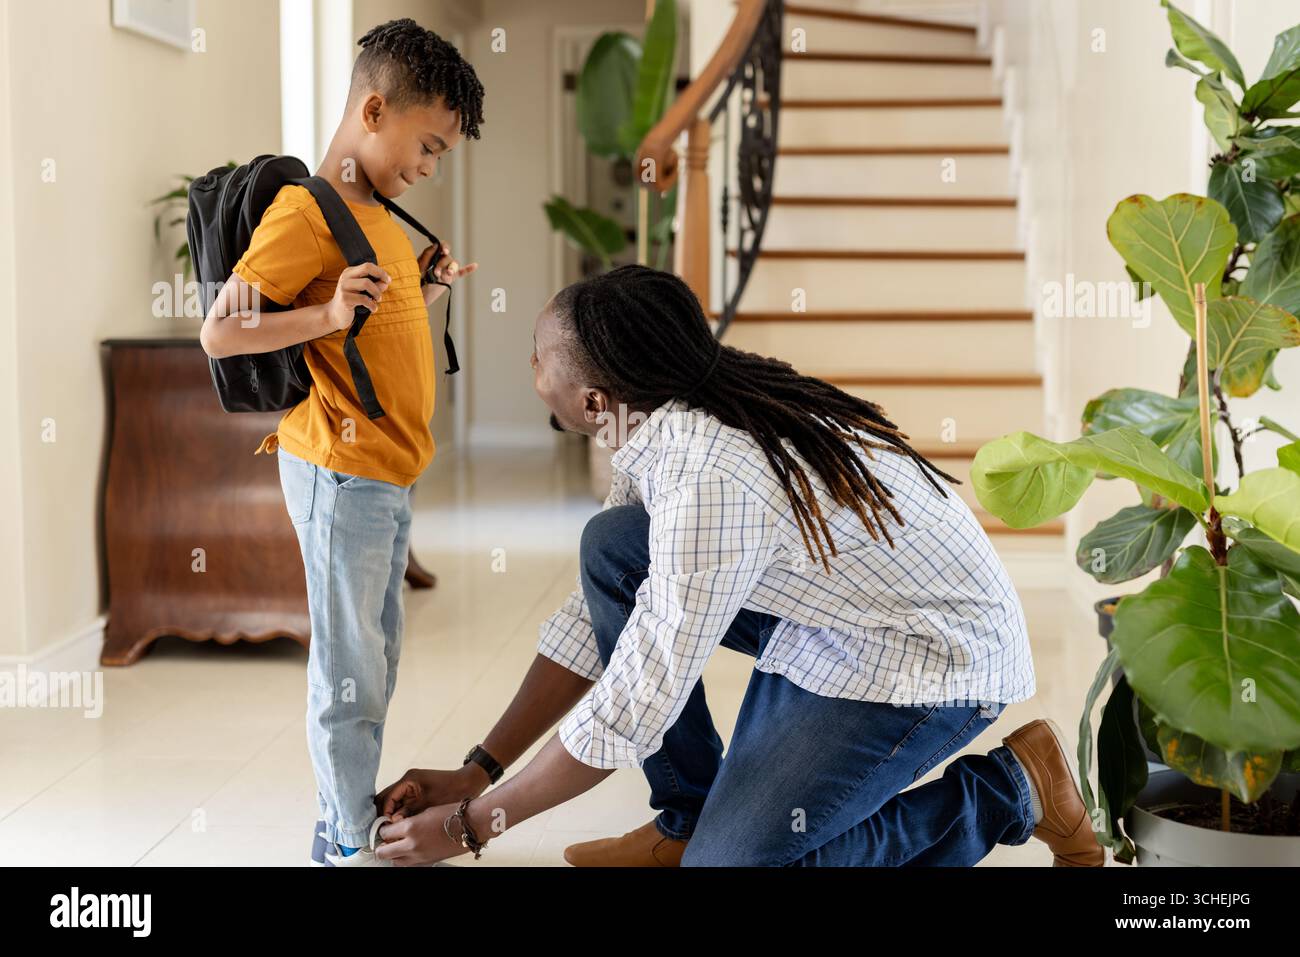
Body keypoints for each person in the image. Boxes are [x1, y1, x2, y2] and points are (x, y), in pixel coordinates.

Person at [375, 265, 1103, 868]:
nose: (530, 364)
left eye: (537, 357)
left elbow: (638, 696)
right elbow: (602, 617)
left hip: (930, 659)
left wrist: (473, 824)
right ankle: (688, 818)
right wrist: (481, 767)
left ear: (593, 401)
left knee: (737, 867)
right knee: (612, 544)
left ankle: (1011, 790)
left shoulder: (710, 472)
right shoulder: (658, 416)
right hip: (842, 618)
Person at [199, 18, 484, 867]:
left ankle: (343, 809)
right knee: (351, 665)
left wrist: (419, 294)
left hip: (384, 473)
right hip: (339, 468)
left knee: (377, 653)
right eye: (427, 145)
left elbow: (365, 327)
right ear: (373, 108)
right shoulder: (304, 213)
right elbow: (220, 332)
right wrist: (322, 314)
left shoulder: (377, 212)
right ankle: (343, 838)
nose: (430, 167)